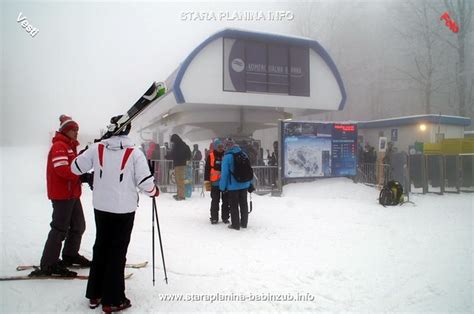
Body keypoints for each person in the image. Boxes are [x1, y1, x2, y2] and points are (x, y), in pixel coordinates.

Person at [72, 115, 159, 312]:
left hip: (101, 207)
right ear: (127, 130)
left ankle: (95, 294)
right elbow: (145, 183)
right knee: (117, 251)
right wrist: (154, 191)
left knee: (101, 246)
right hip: (123, 209)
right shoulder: (134, 152)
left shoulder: (97, 148)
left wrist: (87, 151)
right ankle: (113, 300)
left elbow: (75, 167)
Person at [31, 115, 91, 278]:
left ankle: (70, 255)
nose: (77, 133)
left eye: (77, 130)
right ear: (66, 131)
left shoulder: (70, 147)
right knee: (59, 229)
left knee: (78, 225)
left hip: (72, 194)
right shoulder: (59, 146)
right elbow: (62, 169)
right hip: (62, 195)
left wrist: (83, 158)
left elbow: (73, 164)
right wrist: (81, 176)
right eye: (74, 130)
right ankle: (49, 264)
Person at [219, 138, 252, 230]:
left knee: (234, 205)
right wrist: (250, 183)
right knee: (243, 204)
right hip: (244, 184)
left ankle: (235, 224)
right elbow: (248, 170)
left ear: (226, 146)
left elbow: (224, 174)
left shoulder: (227, 157)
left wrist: (222, 187)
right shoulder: (243, 154)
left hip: (233, 186)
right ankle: (244, 223)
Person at [204, 138, 229, 224]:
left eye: (222, 146)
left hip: (225, 183)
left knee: (226, 201)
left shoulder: (226, 155)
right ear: (215, 147)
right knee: (215, 200)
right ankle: (214, 218)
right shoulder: (211, 156)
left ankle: (225, 217)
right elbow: (207, 169)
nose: (221, 148)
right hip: (214, 183)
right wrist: (206, 181)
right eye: (219, 146)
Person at [165, 134, 191, 200]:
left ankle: (181, 196)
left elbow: (173, 154)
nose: (172, 143)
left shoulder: (177, 146)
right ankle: (179, 194)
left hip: (179, 164)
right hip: (181, 164)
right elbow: (189, 154)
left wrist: (167, 156)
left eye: (173, 141)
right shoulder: (184, 145)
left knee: (180, 180)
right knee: (178, 180)